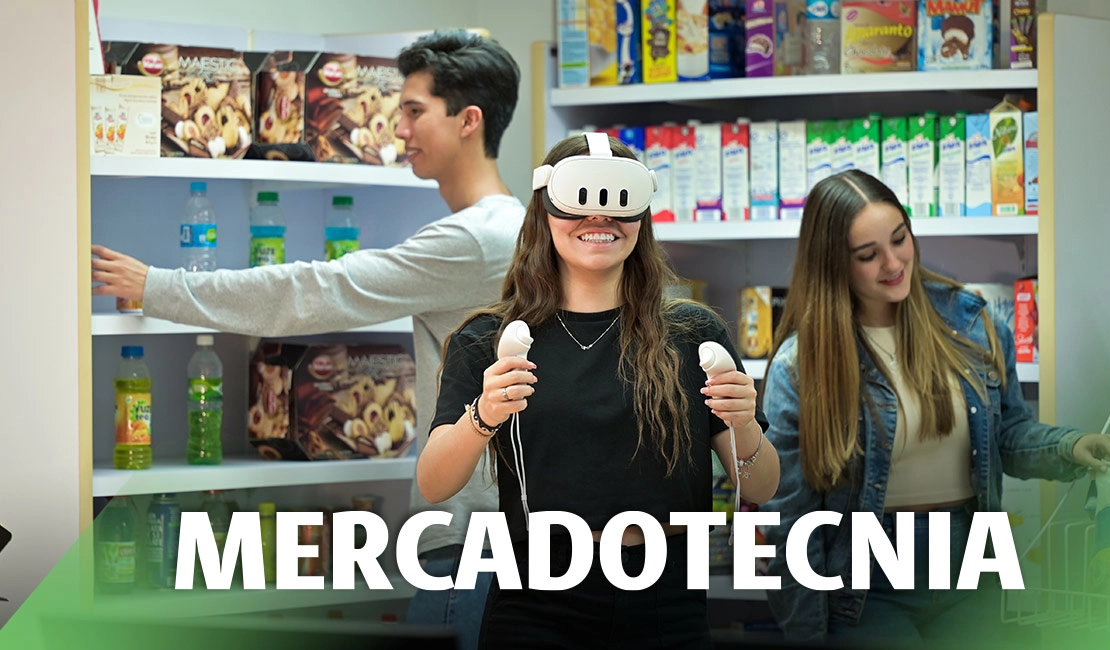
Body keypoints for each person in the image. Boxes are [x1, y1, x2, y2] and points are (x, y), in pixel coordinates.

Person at [90, 29, 524, 650]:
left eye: (414, 111)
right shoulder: (511, 228)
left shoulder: (476, 241)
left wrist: (158, 286)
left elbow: (316, 289)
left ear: (469, 121)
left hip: (469, 540)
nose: (398, 129)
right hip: (490, 531)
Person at [417, 133, 781, 649]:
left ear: (641, 216)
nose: (600, 217)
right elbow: (434, 484)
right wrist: (484, 414)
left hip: (668, 595)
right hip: (537, 597)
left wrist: (743, 423)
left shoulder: (694, 334)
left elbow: (763, 486)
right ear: (544, 211)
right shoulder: (489, 339)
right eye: (579, 200)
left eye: (619, 203)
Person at [758, 169, 1110, 650]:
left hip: (971, 563)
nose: (893, 263)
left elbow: (1007, 434)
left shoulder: (969, 321)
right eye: (868, 255)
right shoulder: (802, 364)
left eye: (900, 239)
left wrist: (1070, 446)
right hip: (867, 583)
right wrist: (806, 632)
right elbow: (790, 517)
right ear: (833, 264)